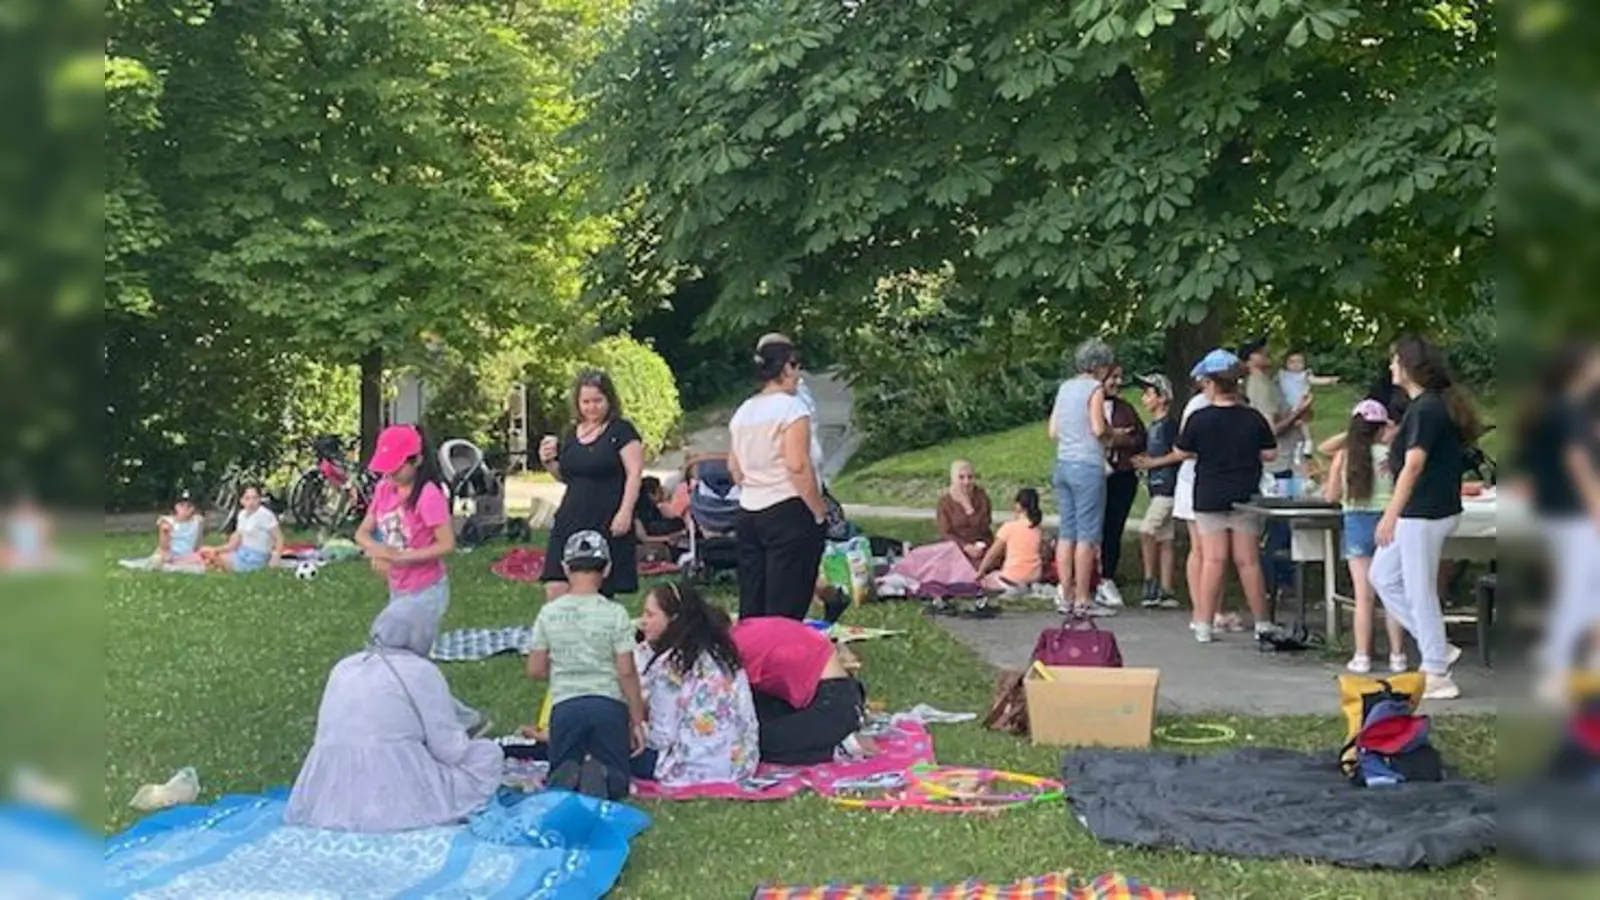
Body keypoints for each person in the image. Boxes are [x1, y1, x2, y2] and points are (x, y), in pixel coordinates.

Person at [285, 599, 503, 832]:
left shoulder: (344, 666)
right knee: (487, 754)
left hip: (327, 791)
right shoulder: (421, 671)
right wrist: (467, 732)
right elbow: (449, 749)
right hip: (396, 784)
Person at [1369, 335, 1485, 700]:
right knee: (1382, 576)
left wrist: (1391, 513)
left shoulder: (1426, 409)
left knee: (1419, 591)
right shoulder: (1429, 406)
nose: (1390, 367)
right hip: (1427, 510)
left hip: (1423, 512)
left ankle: (1437, 672)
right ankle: (1437, 646)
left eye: (1393, 361)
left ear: (1408, 365)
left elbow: (1415, 464)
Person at [526, 530, 648, 799]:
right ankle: (602, 773)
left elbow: (534, 669)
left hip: (566, 706)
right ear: (607, 569)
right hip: (608, 707)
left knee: (563, 761)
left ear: (565, 568)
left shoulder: (549, 614)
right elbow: (626, 671)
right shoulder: (615, 614)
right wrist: (637, 720)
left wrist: (559, 669)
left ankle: (567, 774)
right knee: (618, 779)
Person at [1512, 341, 1600, 703]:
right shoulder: (1567, 409)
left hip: (1562, 511)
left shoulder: (1565, 409)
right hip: (1572, 513)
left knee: (1590, 589)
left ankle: (1585, 661)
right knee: (1577, 592)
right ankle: (1555, 667)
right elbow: (1576, 462)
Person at [1175, 350, 1278, 644]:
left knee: (1214, 560)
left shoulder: (1199, 418)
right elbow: (1269, 453)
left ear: (1210, 383)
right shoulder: (1252, 417)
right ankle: (1262, 623)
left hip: (1209, 495)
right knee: (1248, 561)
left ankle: (1204, 624)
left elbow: (1183, 450)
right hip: (1245, 495)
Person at [728, 336, 828, 620]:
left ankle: (752, 656)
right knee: (786, 598)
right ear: (785, 369)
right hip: (788, 508)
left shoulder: (744, 411)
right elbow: (797, 465)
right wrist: (818, 510)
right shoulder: (792, 409)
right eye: (795, 366)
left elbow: (735, 468)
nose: (797, 374)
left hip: (749, 511)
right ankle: (782, 659)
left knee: (753, 596)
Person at [632, 581, 760, 787]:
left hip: (690, 769)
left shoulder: (671, 664)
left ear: (673, 620)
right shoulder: (723, 654)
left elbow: (662, 736)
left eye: (650, 615)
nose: (642, 622)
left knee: (613, 747)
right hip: (740, 763)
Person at [538, 369, 645, 599]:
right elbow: (567, 477)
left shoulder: (621, 431)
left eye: (597, 401)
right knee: (555, 585)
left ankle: (595, 632)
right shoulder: (570, 433)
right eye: (586, 402)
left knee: (597, 589)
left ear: (609, 400)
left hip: (606, 517)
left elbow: (634, 472)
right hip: (570, 516)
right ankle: (560, 633)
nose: (591, 407)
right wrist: (549, 463)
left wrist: (625, 512)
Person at [1322, 400, 1407, 673]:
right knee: (1392, 591)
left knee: (1363, 596)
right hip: (1389, 522)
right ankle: (1398, 655)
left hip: (1357, 521)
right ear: (1382, 427)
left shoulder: (1344, 457)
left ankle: (1362, 655)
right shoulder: (1392, 455)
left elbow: (1331, 496)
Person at [731, 615, 871, 765]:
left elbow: (730, 699)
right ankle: (839, 735)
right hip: (840, 691)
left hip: (832, 702)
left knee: (752, 744)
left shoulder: (736, 647)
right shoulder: (748, 628)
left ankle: (842, 747)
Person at [355, 424, 456, 627]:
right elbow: (362, 533)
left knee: (409, 647)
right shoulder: (383, 489)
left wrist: (403, 557)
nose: (390, 473)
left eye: (396, 467)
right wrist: (379, 551)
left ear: (417, 460)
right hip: (398, 585)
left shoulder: (428, 495)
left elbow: (446, 544)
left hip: (426, 589)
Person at [1241, 337, 1312, 597]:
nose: (1266, 353)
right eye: (1259, 352)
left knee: (1284, 523)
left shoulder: (1268, 384)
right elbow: (1269, 430)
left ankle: (1279, 580)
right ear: (1250, 361)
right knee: (1281, 523)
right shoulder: (1260, 387)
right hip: (1278, 465)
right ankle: (1276, 581)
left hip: (1285, 461)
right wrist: (1297, 414)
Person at [1049, 338, 1114, 616]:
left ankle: (1065, 593)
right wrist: (1114, 435)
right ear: (1099, 366)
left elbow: (1053, 430)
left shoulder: (1065, 388)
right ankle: (1084, 598)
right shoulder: (1094, 389)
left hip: (1063, 463)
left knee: (1067, 532)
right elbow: (1099, 428)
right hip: (1087, 465)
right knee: (1087, 535)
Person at [1097, 364, 1147, 608]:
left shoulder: (1125, 408)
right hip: (1094, 475)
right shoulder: (1088, 406)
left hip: (1122, 474)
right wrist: (1112, 435)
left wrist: (1120, 438)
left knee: (1114, 526)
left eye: (1119, 377)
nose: (1116, 382)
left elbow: (1139, 437)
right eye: (1112, 377)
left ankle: (1107, 575)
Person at [1132, 374, 1180, 609]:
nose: (1144, 398)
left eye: (1149, 394)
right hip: (1157, 487)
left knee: (1146, 531)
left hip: (1167, 488)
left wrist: (1154, 463)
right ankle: (1167, 589)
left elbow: (1179, 453)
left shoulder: (1169, 426)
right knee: (1165, 538)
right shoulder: (1153, 426)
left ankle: (1150, 580)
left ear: (1162, 399)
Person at [975, 488, 1045, 604]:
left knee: (986, 580)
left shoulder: (1009, 527)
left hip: (1011, 578)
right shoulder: (1037, 530)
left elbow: (993, 553)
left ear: (1018, 506)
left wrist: (981, 571)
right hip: (1033, 577)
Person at [198, 485, 282, 573]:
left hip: (257, 556)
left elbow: (279, 538)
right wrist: (215, 549)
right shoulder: (242, 515)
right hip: (241, 552)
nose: (251, 502)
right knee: (207, 553)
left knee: (215, 560)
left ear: (260, 499)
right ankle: (217, 564)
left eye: (255, 498)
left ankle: (219, 564)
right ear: (241, 500)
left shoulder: (265, 515)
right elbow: (234, 543)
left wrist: (275, 557)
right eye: (247, 498)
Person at [1278, 351, 1340, 455]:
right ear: (1286, 363)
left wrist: (1330, 380)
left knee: (1302, 424)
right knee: (1289, 426)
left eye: (1299, 362)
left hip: (1301, 404)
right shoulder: (1282, 374)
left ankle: (1308, 442)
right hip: (1286, 405)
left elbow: (1316, 380)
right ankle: (1295, 444)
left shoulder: (1304, 375)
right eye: (1292, 362)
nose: (1296, 365)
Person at [935, 460, 994, 566]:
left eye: (970, 477)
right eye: (961, 477)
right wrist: (965, 546)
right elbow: (945, 533)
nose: (966, 482)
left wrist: (968, 506)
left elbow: (984, 528)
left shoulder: (982, 497)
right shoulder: (944, 502)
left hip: (981, 546)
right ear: (953, 479)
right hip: (956, 548)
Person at [634, 475, 687, 559]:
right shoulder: (637, 512)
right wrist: (667, 538)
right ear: (651, 494)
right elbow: (643, 537)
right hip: (651, 544)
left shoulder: (654, 509)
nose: (662, 492)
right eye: (659, 491)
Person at [154, 490, 204, 564]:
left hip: (190, 555)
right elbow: (164, 548)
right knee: (160, 559)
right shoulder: (167, 522)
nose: (185, 508)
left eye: (189, 506)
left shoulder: (197, 521)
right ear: (175, 507)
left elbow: (198, 545)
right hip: (171, 556)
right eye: (181, 505)